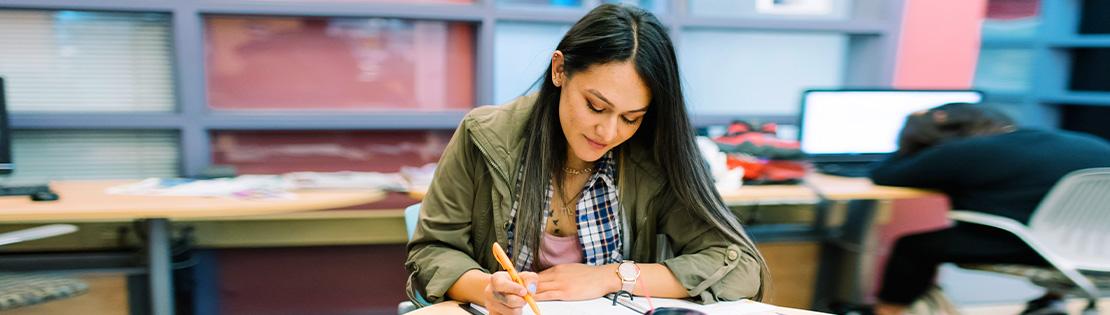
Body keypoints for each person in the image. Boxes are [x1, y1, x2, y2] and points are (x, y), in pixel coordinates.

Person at [405, 4, 769, 315]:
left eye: (631, 117)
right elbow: (433, 249)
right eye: (596, 106)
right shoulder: (484, 135)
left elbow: (738, 264)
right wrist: (486, 290)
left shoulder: (650, 155)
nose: (608, 133)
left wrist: (611, 276)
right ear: (560, 70)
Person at [863, 102, 1110, 315]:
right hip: (1099, 250)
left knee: (913, 247)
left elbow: (886, 175)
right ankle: (1049, 303)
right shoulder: (1088, 143)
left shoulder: (966, 150)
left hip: (1031, 247)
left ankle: (887, 311)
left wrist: (912, 135)